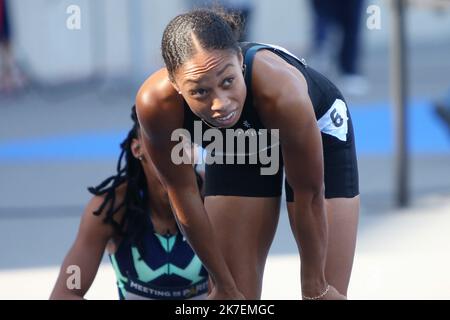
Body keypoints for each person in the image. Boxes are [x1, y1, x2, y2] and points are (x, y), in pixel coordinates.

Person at [136, 9, 359, 300]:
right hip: (238, 146)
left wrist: (315, 286)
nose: (221, 103)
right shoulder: (155, 104)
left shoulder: (283, 93)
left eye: (227, 81)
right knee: (233, 297)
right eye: (201, 92)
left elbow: (309, 192)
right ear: (176, 85)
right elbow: (184, 195)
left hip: (318, 128)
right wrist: (223, 284)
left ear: (240, 61)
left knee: (324, 294)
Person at [50, 106, 209, 300]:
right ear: (137, 148)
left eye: (183, 141)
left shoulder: (216, 199)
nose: (175, 152)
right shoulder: (110, 208)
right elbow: (65, 293)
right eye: (162, 141)